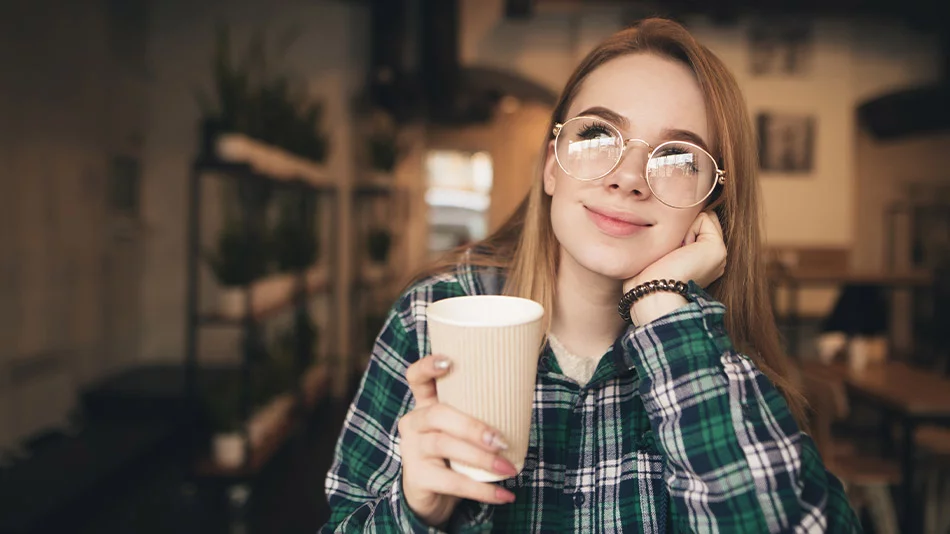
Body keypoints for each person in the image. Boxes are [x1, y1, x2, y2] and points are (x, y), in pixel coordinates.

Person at [323, 18, 860, 533]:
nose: (628, 178)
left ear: (711, 205)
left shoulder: (724, 362)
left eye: (678, 158)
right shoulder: (432, 314)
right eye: (599, 135)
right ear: (551, 164)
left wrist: (662, 306)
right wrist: (416, 511)